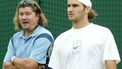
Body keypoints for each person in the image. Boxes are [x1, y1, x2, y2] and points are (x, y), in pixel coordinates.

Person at [48, 0, 121, 69]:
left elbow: (110, 63)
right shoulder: (60, 39)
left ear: (87, 9)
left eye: (75, 6)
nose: (70, 9)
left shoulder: (104, 33)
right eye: (68, 6)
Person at [3, 0, 53, 69]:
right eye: (21, 14)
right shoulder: (14, 38)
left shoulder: (44, 36)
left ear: (37, 16)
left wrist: (13, 58)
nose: (24, 17)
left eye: (27, 14)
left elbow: (29, 65)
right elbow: (5, 66)